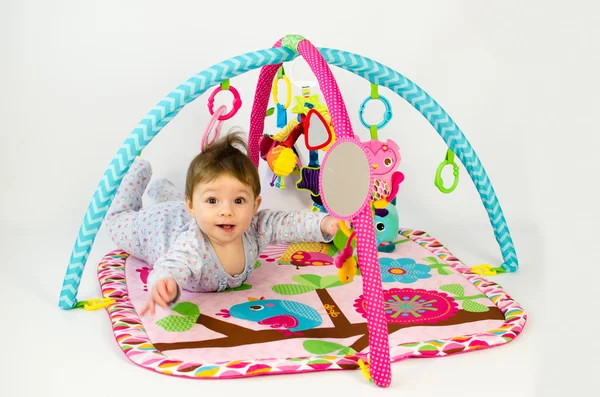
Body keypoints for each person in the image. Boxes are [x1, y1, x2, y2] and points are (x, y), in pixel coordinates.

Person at [105, 130, 339, 316]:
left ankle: (163, 189)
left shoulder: (255, 227)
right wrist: (165, 283)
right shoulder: (192, 245)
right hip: (157, 226)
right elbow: (173, 265)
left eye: (238, 200)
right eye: (213, 199)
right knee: (117, 221)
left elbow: (286, 222)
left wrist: (323, 223)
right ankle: (140, 172)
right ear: (192, 205)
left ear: (255, 205)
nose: (226, 211)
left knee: (192, 206)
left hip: (189, 211)